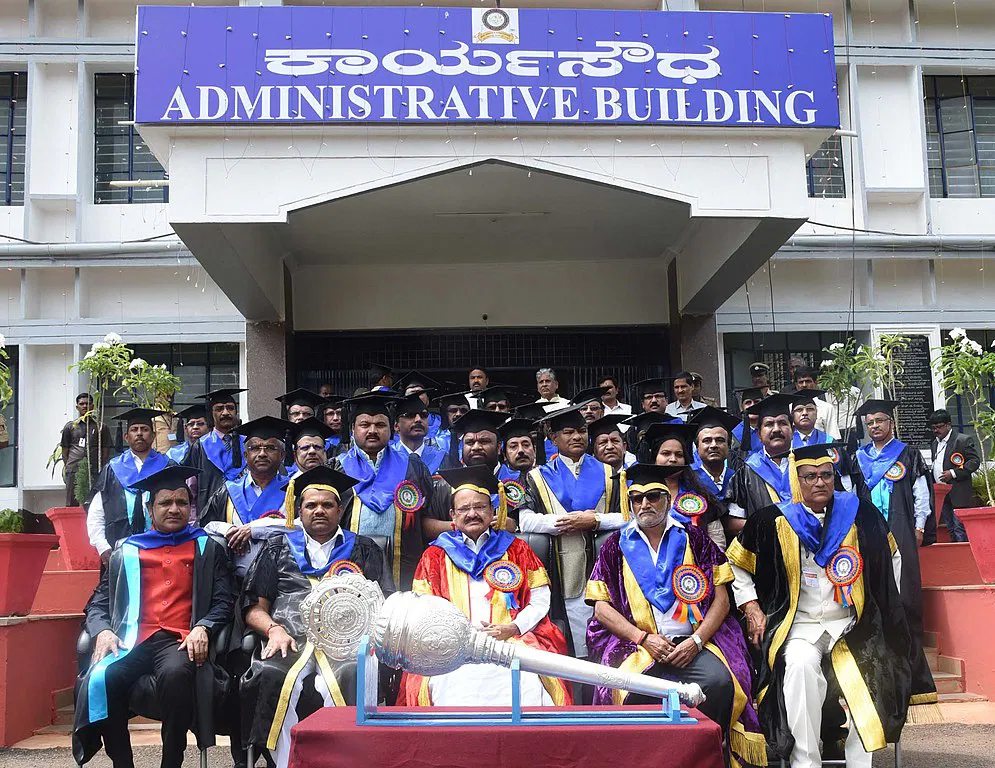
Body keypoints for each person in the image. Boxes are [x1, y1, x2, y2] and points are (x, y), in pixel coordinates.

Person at [726, 443, 938, 768]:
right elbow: (736, 563)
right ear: (797, 481)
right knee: (797, 667)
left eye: (826, 474)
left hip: (853, 626)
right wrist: (751, 605)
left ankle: (859, 763)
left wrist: (884, 601)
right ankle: (806, 761)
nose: (820, 482)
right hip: (799, 627)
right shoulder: (772, 520)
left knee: (869, 674)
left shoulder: (861, 514)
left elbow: (892, 555)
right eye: (810, 476)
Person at [587, 463, 765, 768]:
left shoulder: (694, 538)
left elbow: (722, 600)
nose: (645, 504)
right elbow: (601, 607)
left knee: (722, 684)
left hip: (693, 642)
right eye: (637, 498)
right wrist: (643, 638)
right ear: (629, 503)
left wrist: (696, 641)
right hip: (639, 647)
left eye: (653, 496)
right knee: (630, 692)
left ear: (667, 499)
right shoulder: (615, 545)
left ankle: (708, 755)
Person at [73, 465, 235, 768]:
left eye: (182, 503)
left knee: (175, 676)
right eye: (165, 503)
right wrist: (103, 631)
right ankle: (122, 763)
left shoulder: (207, 549)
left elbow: (223, 602)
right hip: (131, 639)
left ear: (190, 507)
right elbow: (98, 602)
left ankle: (171, 762)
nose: (174, 509)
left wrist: (204, 627)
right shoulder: (127, 551)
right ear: (150, 508)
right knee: (103, 677)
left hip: (178, 640)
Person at [241, 465, 393, 768]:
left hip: (346, 643)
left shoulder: (363, 549)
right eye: (311, 505)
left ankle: (343, 762)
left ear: (340, 510)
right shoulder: (277, 547)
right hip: (290, 639)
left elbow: (385, 604)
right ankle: (285, 763)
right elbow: (254, 607)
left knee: (352, 674)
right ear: (299, 511)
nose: (319, 511)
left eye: (327, 505)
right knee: (272, 676)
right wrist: (273, 630)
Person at [398, 465, 572, 707]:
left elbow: (540, 598)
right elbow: (423, 608)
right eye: (464, 509)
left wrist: (513, 627)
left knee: (528, 681)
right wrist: (451, 638)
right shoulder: (435, 555)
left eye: (480, 507)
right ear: (453, 515)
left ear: (492, 511)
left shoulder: (516, 549)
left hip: (510, 640)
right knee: (445, 683)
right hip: (454, 646)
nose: (472, 514)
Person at [518, 405, 622, 657]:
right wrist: (564, 523)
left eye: (582, 431)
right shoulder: (537, 476)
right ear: (553, 438)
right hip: (559, 563)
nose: (577, 437)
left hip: (603, 563)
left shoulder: (609, 473)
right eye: (568, 432)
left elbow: (626, 518)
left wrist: (594, 521)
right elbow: (526, 521)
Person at [330, 392, 435, 589]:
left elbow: (427, 516)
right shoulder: (336, 468)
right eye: (364, 425)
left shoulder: (413, 467)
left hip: (405, 567)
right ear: (352, 429)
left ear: (391, 429)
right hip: (347, 568)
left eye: (380, 425)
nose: (372, 430)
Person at [853, 399, 932, 644]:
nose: (875, 426)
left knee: (903, 582)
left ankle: (909, 640)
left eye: (879, 421)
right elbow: (851, 495)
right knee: (871, 578)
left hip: (900, 526)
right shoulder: (859, 457)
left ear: (891, 423)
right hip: (868, 529)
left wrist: (919, 525)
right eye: (870, 423)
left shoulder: (908, 454)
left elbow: (921, 493)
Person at [199, 417, 292, 576]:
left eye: (270, 448)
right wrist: (226, 529)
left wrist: (255, 529)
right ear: (245, 455)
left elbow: (303, 525)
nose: (262, 454)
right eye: (255, 448)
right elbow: (204, 525)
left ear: (282, 455)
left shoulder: (294, 490)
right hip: (235, 582)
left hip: (284, 580)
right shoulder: (228, 491)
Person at [86, 408, 173, 565]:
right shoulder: (112, 469)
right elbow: (96, 512)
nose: (139, 433)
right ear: (126, 437)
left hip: (163, 547)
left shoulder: (168, 466)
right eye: (134, 429)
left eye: (145, 429)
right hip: (119, 549)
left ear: (153, 436)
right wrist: (102, 546)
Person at [639, 422, 727, 550]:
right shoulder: (641, 496)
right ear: (654, 458)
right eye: (666, 453)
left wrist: (711, 563)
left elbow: (717, 539)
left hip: (697, 566)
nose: (673, 459)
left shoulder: (701, 495)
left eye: (679, 455)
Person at [424, 409, 510, 539]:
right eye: (469, 442)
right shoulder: (446, 485)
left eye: (484, 441)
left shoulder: (514, 482)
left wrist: (512, 523)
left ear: (498, 448)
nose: (476, 447)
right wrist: (460, 525)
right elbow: (426, 525)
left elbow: (526, 520)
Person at [727, 394, 800, 533]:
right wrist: (765, 526)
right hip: (764, 549)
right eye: (769, 424)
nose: (776, 429)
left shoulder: (808, 465)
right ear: (759, 434)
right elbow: (732, 522)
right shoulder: (746, 472)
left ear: (793, 431)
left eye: (783, 423)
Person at [183, 388, 248, 516]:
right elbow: (192, 488)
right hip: (208, 513)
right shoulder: (200, 446)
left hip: (242, 513)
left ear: (236, 412)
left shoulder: (248, 444)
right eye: (219, 409)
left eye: (230, 408)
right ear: (211, 414)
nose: (225, 412)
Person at [928, 409, 979, 543]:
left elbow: (974, 462)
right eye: (933, 428)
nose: (936, 430)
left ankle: (964, 556)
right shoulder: (934, 443)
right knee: (949, 527)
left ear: (948, 425)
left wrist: (953, 473)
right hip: (941, 493)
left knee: (959, 527)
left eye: (939, 427)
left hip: (958, 491)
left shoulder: (962, 440)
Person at [61, 392, 112, 506]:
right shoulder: (70, 427)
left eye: (88, 403)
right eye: (81, 404)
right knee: (71, 502)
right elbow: (65, 450)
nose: (85, 406)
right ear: (77, 407)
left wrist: (98, 467)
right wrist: (70, 466)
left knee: (94, 502)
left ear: (92, 406)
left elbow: (105, 450)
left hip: (94, 470)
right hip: (74, 468)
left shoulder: (101, 427)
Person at [688, 406, 741, 506]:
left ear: (729, 446)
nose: (713, 445)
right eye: (706, 441)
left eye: (720, 440)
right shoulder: (690, 481)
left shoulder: (739, 479)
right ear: (697, 447)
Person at [391, 392, 446, 474]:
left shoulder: (442, 458)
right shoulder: (387, 459)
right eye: (410, 415)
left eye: (424, 414)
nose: (418, 419)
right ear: (396, 426)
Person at [393, 371, 443, 441]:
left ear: (428, 400)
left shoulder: (441, 421)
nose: (416, 397)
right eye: (411, 393)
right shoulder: (399, 423)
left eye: (420, 393)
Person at [792, 369, 838, 438]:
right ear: (796, 385)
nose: (804, 385)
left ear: (816, 383)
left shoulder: (827, 408)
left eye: (808, 381)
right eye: (801, 382)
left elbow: (833, 435)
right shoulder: (789, 407)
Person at [497, 416, 538, 486]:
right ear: (504, 455)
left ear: (534, 451)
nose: (521, 450)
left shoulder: (547, 479)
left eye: (526, 445)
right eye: (513, 446)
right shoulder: (499, 484)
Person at [429, 390, 471, 455]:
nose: (458, 414)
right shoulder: (435, 441)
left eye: (464, 410)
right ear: (445, 414)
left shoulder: (475, 439)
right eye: (453, 410)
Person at [731, 387, 762, 455]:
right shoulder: (735, 432)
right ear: (742, 407)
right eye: (748, 402)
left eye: (757, 402)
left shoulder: (769, 428)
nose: (753, 405)